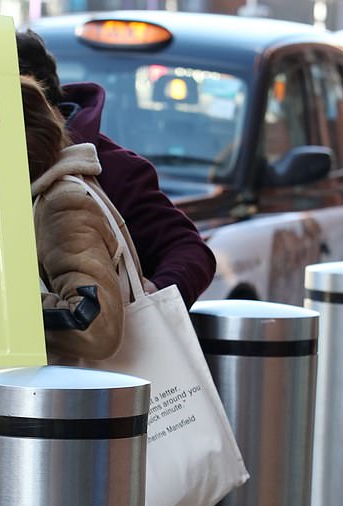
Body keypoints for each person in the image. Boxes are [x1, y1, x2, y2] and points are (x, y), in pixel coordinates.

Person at [17, 30, 205, 506]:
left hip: (123, 406)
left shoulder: (106, 169)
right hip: (72, 409)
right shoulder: (26, 169)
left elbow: (192, 251)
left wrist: (147, 293)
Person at [15, 28, 216, 310]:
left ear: (28, 100)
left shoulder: (114, 168)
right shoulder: (2, 162)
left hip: (97, 350)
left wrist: (149, 296)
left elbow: (190, 251)